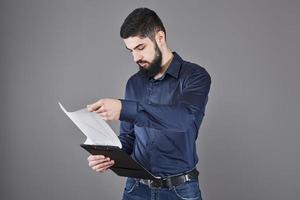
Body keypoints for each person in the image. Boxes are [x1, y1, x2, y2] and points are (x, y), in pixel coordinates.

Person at [86, 7, 211, 200]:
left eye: (140, 47)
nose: (136, 58)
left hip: (181, 191)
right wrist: (108, 156)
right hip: (136, 190)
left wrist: (124, 108)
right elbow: (128, 138)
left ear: (160, 37)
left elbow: (185, 118)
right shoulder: (133, 83)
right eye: (131, 51)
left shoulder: (195, 76)